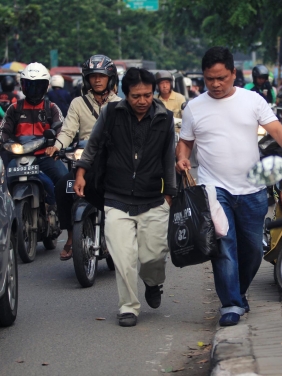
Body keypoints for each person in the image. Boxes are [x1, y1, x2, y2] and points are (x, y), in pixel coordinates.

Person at [176, 46, 282, 327]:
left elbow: (277, 129)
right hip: (213, 188)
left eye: (221, 77)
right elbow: (185, 142)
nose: (216, 84)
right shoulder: (194, 108)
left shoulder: (253, 100)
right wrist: (182, 158)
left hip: (253, 189)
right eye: (210, 79)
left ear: (234, 73)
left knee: (253, 249)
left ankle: (239, 292)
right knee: (224, 247)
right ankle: (230, 302)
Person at [73, 67, 176, 327]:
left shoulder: (165, 117)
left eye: (147, 95)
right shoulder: (111, 113)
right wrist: (81, 173)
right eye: (135, 96)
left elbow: (168, 158)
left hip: (153, 198)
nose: (142, 101)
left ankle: (153, 283)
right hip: (116, 197)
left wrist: (169, 194)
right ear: (125, 94)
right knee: (124, 257)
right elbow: (93, 144)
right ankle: (128, 307)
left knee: (153, 256)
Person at [45, 54, 121, 261]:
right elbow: (68, 131)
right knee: (62, 186)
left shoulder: (120, 105)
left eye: (102, 76)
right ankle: (70, 237)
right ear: (87, 79)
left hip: (110, 165)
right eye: (93, 76)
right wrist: (57, 146)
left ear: (110, 78)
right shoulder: (78, 103)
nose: (97, 80)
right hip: (82, 162)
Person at [0, 62, 67, 207]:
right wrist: (6, 143)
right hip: (19, 156)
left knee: (65, 179)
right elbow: (4, 130)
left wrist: (55, 146)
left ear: (46, 86)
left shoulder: (52, 108)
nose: (34, 90)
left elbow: (62, 129)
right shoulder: (14, 108)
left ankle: (62, 212)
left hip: (46, 156)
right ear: (23, 86)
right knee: (5, 181)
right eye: (29, 85)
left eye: (38, 86)